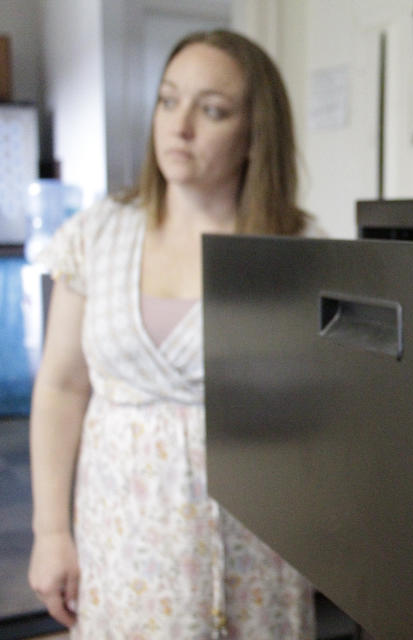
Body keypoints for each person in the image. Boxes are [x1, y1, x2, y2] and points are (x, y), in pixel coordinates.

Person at [27, 30, 317, 638]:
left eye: (211, 110)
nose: (179, 126)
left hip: (250, 543)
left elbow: (322, 414)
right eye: (168, 100)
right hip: (121, 534)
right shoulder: (98, 234)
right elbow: (60, 388)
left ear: (253, 134)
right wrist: (51, 532)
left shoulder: (295, 251)